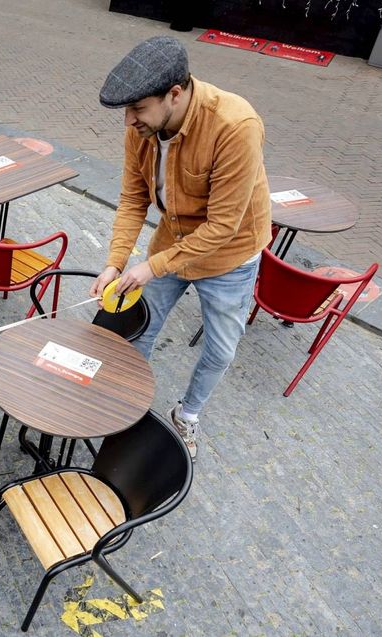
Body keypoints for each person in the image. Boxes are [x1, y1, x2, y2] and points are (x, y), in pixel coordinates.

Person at [90, 36, 272, 460]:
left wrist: (151, 267)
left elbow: (224, 226)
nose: (128, 121)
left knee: (221, 349)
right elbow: (134, 198)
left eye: (137, 110)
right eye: (126, 111)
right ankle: (124, 403)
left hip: (230, 257)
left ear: (175, 94)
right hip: (171, 243)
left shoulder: (235, 125)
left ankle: (187, 415)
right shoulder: (142, 127)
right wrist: (115, 263)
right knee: (138, 327)